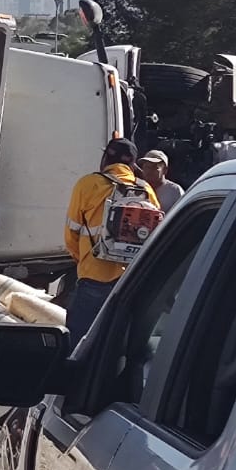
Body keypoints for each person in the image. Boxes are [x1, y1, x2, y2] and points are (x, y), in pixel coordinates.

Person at [64, 138, 162, 346]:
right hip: (129, 281)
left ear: (106, 158)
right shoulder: (146, 191)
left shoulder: (88, 184)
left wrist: (84, 260)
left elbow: (71, 234)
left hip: (92, 276)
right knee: (117, 347)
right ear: (132, 164)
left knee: (79, 347)